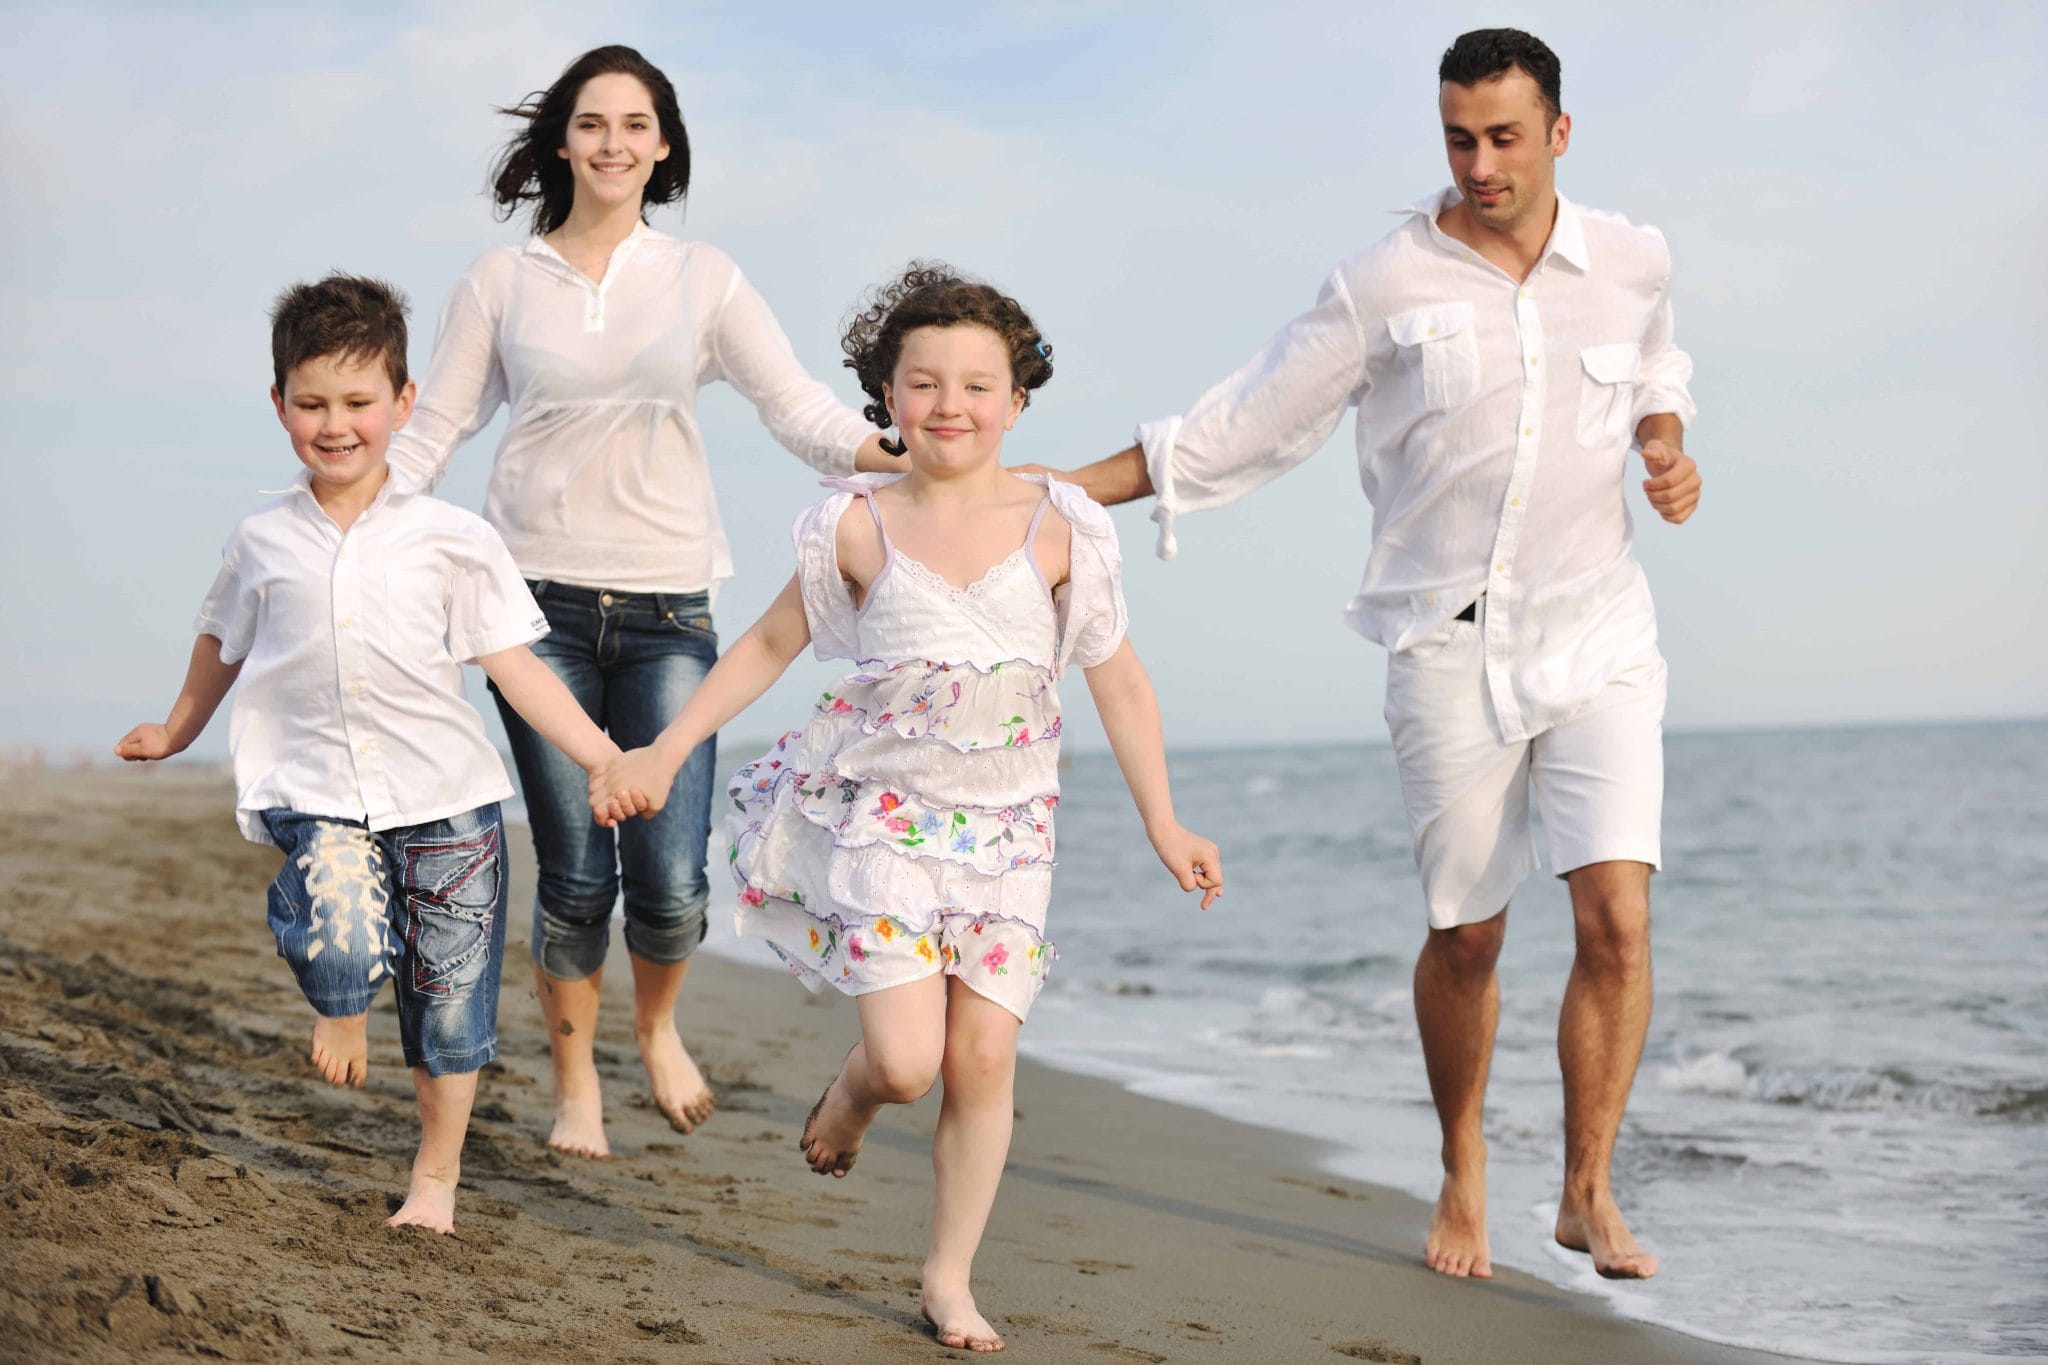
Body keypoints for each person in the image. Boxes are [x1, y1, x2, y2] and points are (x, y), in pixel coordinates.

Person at [1044, 29, 1704, 1282]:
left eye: (1505, 136)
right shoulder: (1382, 281)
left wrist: (1663, 438)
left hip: (1600, 630)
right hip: (1443, 643)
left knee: (1615, 915)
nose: (1479, 162)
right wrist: (1056, 491)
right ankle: (1463, 1167)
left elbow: (1658, 354)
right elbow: (1242, 427)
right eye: (1458, 137)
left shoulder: (1629, 258)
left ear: (1559, 133)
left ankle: (1584, 1192)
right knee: (1466, 936)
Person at [589, 264, 1223, 1353]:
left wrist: (1166, 822)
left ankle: (948, 1277)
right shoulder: (852, 524)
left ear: (1016, 401)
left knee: (981, 1061)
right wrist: (665, 745)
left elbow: (1118, 680)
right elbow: (768, 647)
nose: (949, 405)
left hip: (1010, 832)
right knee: (907, 1062)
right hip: (878, 821)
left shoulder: (1062, 524)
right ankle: (852, 1093)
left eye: (977, 386)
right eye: (922, 383)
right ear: (886, 396)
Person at [387, 45, 901, 1160]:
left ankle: (655, 1026)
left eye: (634, 124)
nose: (612, 143)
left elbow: (799, 409)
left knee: (667, 886)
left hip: (671, 609)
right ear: (561, 142)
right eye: (590, 123)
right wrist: (356, 514)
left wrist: (897, 458)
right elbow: (436, 430)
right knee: (575, 876)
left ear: (662, 144)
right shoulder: (500, 282)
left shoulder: (701, 277)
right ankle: (577, 1082)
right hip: (531, 610)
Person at [115, 275, 620, 1233]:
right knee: (342, 926)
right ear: (279, 407)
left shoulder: (452, 539)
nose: (335, 425)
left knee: (449, 999)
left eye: (357, 403)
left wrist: (601, 754)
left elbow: (516, 667)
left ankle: (435, 1178)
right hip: (319, 792)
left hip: (449, 801)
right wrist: (177, 728)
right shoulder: (262, 539)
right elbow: (221, 641)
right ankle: (342, 998)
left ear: (403, 403)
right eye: (311, 404)